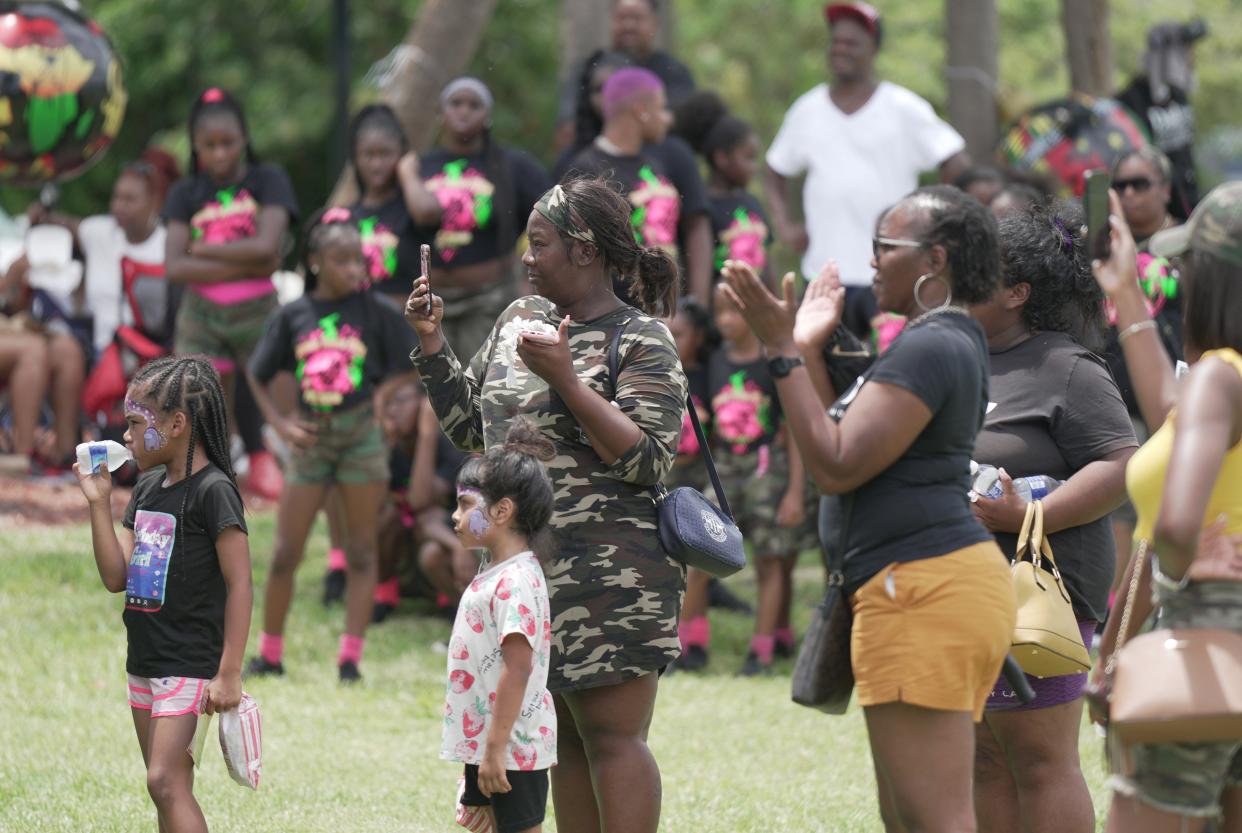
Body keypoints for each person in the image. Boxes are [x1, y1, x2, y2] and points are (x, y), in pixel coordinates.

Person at [721, 185, 1015, 833]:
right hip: (915, 586)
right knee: (908, 815)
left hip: (924, 589)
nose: (872, 261)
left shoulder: (932, 346)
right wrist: (801, 346)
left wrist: (776, 346)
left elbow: (834, 461)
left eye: (886, 246)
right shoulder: (934, 339)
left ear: (935, 259)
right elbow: (839, 434)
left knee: (935, 818)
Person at [406, 177, 687, 833]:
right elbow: (473, 428)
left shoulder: (641, 338)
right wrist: (430, 345)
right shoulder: (515, 321)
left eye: (541, 243)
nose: (528, 258)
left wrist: (567, 379)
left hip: (613, 583)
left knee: (614, 740)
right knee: (560, 740)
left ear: (585, 250)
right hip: (526, 585)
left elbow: (649, 457)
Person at [969, 202, 1137, 833]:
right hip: (966, 584)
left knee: (1040, 759)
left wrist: (1025, 512)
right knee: (983, 758)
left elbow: (1121, 466)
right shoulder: (959, 354)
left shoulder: (1065, 366)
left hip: (1046, 589)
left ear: (1018, 292)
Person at [1089, 182, 1242, 832]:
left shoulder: (1218, 375)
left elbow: (1176, 526)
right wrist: (1125, 289)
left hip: (1208, 630)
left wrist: (1175, 575)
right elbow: (1172, 416)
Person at [74, 356, 252, 833]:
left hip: (190, 663)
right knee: (168, 790)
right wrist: (99, 503)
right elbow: (117, 576)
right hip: (146, 659)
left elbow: (240, 584)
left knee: (164, 782)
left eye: (136, 423)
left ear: (177, 424)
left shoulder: (215, 491)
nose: (126, 435)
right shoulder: (149, 488)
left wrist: (229, 673)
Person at [244, 209, 417, 683]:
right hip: (312, 441)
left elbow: (413, 361)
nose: (354, 270)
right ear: (317, 261)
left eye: (359, 261)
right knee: (285, 553)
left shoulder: (376, 312)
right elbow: (257, 374)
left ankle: (350, 661)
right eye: (342, 261)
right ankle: (270, 654)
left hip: (361, 437)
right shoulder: (293, 315)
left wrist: (382, 398)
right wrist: (280, 425)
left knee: (362, 551)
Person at [764, 2, 970, 341]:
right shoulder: (808, 109)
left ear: (873, 49)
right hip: (823, 276)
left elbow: (956, 162)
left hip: (890, 277)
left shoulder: (903, 107)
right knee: (823, 374)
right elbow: (774, 170)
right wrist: (785, 226)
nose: (841, 49)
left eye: (852, 43)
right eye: (836, 42)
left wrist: (929, 224)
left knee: (888, 375)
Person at [163, 87, 299, 501]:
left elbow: (269, 247)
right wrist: (251, 260)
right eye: (209, 146)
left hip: (257, 307)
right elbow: (175, 267)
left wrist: (202, 248)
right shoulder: (184, 193)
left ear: (244, 139)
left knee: (263, 379)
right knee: (193, 386)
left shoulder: (268, 179)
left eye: (228, 143)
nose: (220, 154)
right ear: (196, 147)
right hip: (201, 312)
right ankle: (200, 470)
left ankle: (264, 461)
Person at [693, 283, 815, 676]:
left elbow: (794, 431)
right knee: (698, 549)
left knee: (770, 560)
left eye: (735, 311)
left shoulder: (771, 363)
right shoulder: (713, 360)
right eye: (720, 311)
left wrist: (795, 491)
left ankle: (760, 651)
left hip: (768, 468)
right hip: (725, 467)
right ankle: (690, 643)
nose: (726, 321)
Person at [442, 420, 558, 833]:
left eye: (465, 505)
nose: (455, 517)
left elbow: (518, 668)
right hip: (491, 741)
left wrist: (495, 749)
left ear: (502, 510)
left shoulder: (516, 582)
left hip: (512, 745)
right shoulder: (497, 572)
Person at [400, 77, 550, 363]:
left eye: (474, 105)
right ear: (441, 112)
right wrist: (407, 172)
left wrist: (531, 274)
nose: (464, 111)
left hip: (488, 300)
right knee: (435, 384)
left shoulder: (510, 165)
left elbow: (549, 211)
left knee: (482, 381)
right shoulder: (420, 165)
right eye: (456, 103)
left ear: (488, 115)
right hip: (430, 301)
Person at [1101, 147, 1184, 604]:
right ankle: (1112, 609)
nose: (1129, 194)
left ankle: (1162, 598)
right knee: (1120, 506)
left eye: (1140, 184)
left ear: (1165, 190)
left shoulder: (1185, 247)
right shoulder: (1105, 250)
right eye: (1121, 185)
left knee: (1166, 505)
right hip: (1118, 397)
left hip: (1176, 397)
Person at [564, 67, 713, 308]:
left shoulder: (654, 166)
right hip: (614, 322)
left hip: (663, 314)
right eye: (662, 108)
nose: (668, 118)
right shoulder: (587, 171)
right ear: (641, 110)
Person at [555, 0, 695, 151]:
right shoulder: (587, 69)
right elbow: (566, 128)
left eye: (637, 18)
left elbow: (682, 123)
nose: (629, 25)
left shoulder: (674, 72)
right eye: (622, 17)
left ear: (654, 23)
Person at [675, 91, 774, 284]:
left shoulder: (752, 203)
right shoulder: (700, 208)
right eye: (748, 158)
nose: (754, 166)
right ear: (722, 158)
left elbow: (767, 262)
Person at [1117, 20, 1207, 220]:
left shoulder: (1179, 96)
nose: (1191, 58)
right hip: (1155, 213)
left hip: (1189, 203)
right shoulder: (1132, 99)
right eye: (1185, 51)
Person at [345, 104, 421, 303]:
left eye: (385, 154)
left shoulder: (414, 211)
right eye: (368, 155)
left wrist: (408, 173)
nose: (376, 164)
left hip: (405, 324)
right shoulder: (346, 217)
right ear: (356, 158)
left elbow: (429, 213)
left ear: (401, 155)